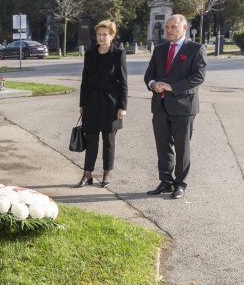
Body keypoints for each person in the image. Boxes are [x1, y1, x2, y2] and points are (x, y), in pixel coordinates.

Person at [143, 14, 207, 199]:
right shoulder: (160, 49)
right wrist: (153, 84)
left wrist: (173, 87)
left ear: (184, 28)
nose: (169, 30)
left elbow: (198, 76)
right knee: (163, 147)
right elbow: (149, 74)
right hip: (160, 106)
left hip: (183, 107)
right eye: (167, 27)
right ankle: (165, 182)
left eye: (173, 27)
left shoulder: (196, 49)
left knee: (182, 148)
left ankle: (180, 184)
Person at [75, 20, 128, 188]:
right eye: (99, 34)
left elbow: (123, 83)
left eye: (105, 34)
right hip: (91, 102)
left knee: (108, 141)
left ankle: (107, 173)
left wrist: (123, 106)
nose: (101, 37)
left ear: (112, 36)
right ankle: (87, 174)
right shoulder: (90, 54)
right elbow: (85, 81)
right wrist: (82, 104)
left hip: (111, 103)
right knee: (91, 140)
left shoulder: (118, 54)